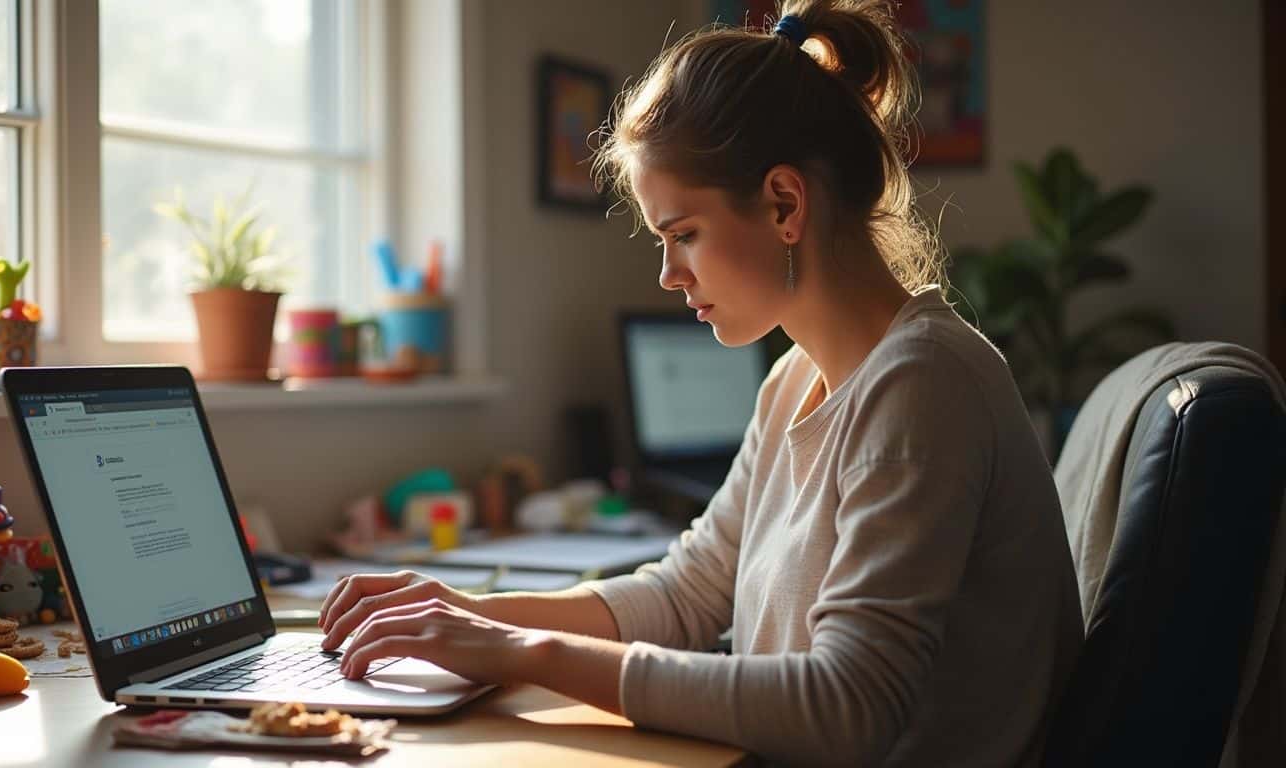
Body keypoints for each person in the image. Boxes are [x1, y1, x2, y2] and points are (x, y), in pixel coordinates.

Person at [319, 1, 1083, 764]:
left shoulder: (923, 385)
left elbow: (849, 709)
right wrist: (466, 613)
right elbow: (688, 594)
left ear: (785, 203)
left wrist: (524, 651)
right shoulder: (794, 380)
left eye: (683, 234)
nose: (668, 273)